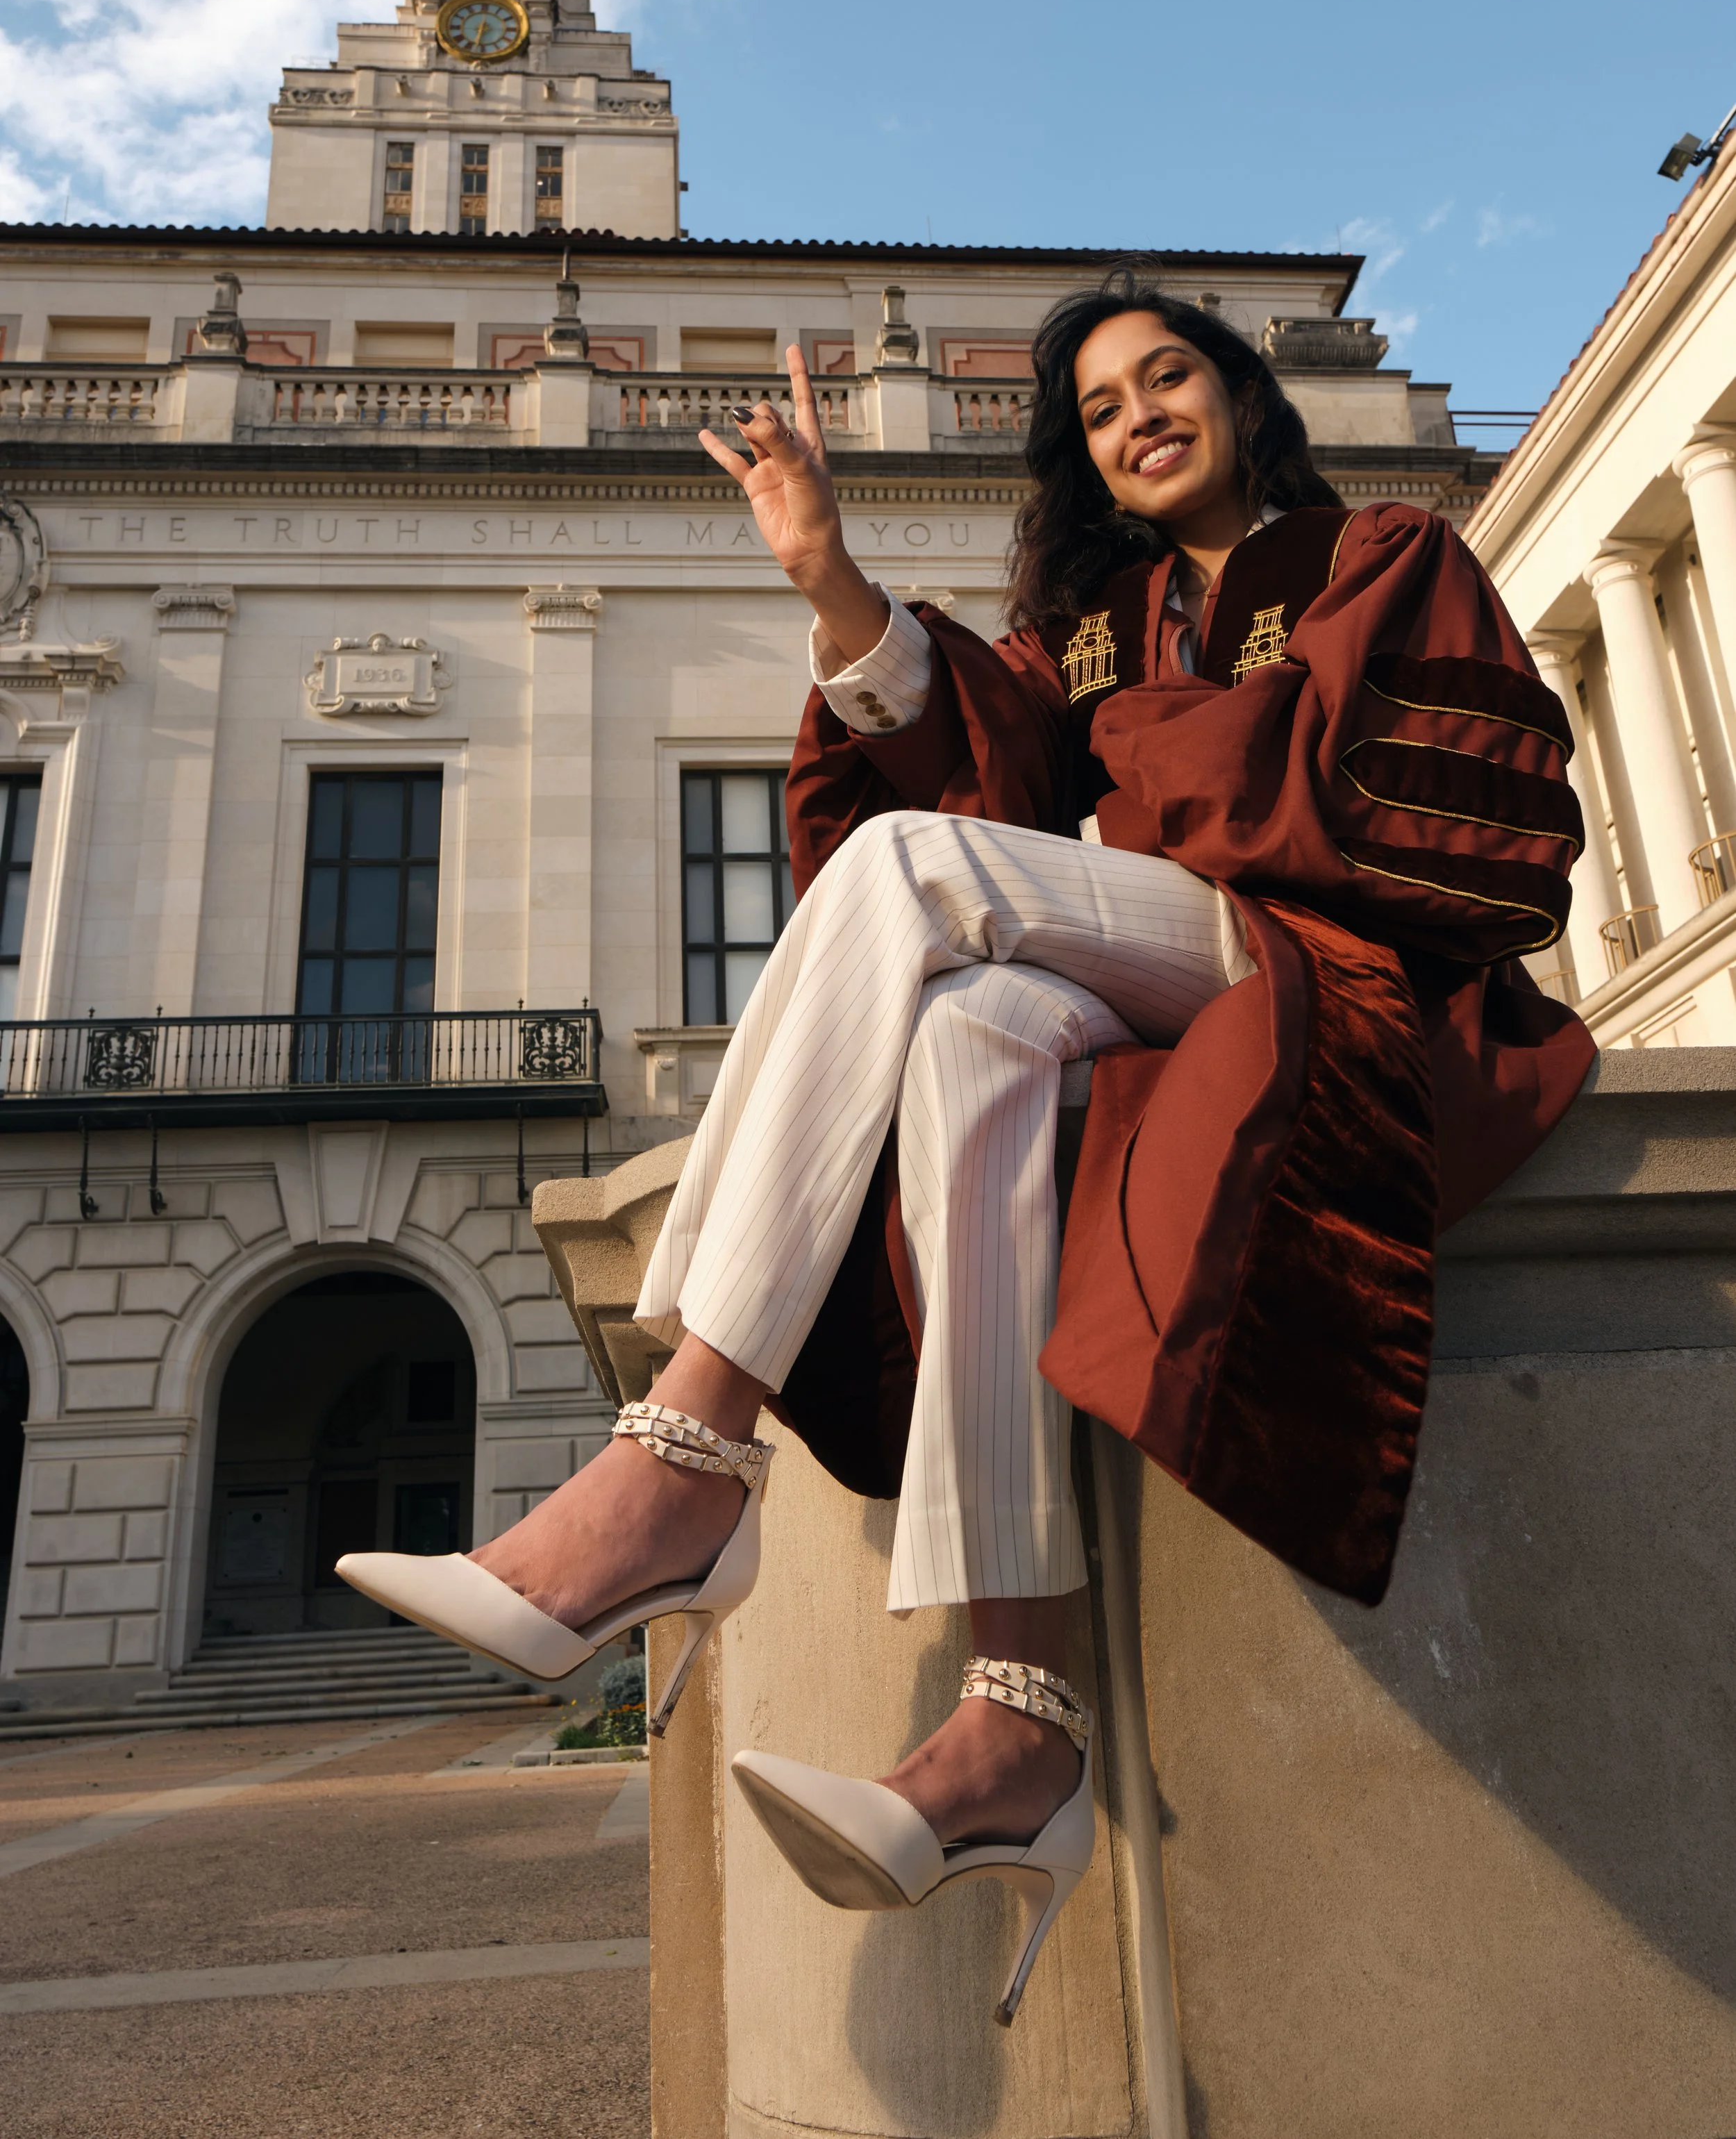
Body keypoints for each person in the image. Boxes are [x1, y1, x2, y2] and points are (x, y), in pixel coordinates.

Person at [340, 273, 1594, 2026]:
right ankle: (1024, 1711)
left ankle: (686, 1451)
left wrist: (1144, 773)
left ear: (1238, 395)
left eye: (1167, 377)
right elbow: (984, 753)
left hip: (1333, 966)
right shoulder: (1098, 620)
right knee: (962, 1033)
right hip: (1150, 963)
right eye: (1097, 406)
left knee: (905, 872)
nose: (1137, 414)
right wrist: (826, 578)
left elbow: (1455, 819)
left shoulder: (1381, 555)